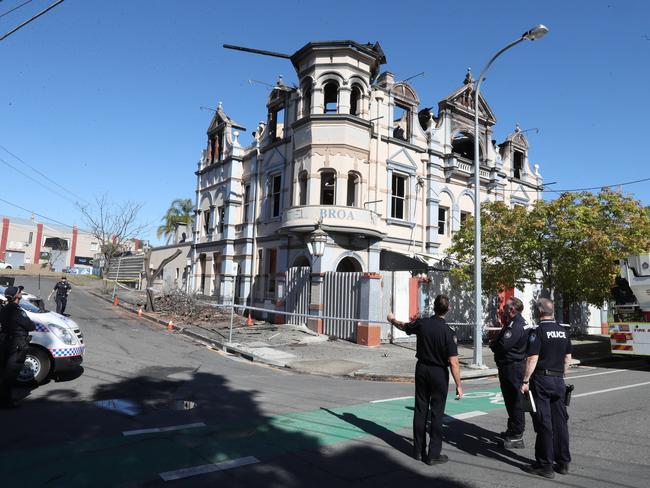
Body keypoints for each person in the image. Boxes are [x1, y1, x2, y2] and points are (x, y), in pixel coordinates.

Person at [387, 294, 463, 465]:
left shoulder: (422, 323)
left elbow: (403, 325)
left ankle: (418, 451)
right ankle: (433, 454)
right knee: (436, 413)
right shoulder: (449, 332)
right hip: (438, 373)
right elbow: (454, 362)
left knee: (420, 410)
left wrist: (391, 319)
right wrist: (459, 385)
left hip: (422, 369)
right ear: (448, 309)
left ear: (433, 307)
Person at [520, 298, 572, 479]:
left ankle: (545, 465)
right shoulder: (563, 331)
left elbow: (532, 359)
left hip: (542, 380)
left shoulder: (538, 331)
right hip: (559, 380)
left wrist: (525, 380)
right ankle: (563, 461)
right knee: (560, 422)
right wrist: (560, 375)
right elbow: (568, 359)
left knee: (544, 422)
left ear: (539, 311)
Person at [490, 296, 532, 448]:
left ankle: (517, 435)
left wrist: (493, 344)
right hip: (513, 366)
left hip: (513, 367)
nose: (503, 309)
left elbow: (503, 346)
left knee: (514, 401)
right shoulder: (517, 323)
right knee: (511, 400)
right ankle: (513, 429)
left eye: (506, 307)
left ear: (512, 309)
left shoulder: (515, 325)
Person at [0, 285, 35, 407]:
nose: (21, 292)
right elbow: (31, 326)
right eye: (19, 291)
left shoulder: (4, 309)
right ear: (16, 296)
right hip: (17, 345)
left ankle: (5, 398)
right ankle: (5, 402)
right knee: (11, 373)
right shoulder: (17, 311)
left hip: (5, 343)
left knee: (4, 372)